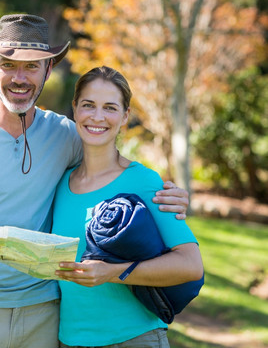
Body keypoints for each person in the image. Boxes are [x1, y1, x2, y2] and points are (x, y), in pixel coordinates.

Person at [0, 14, 189, 348]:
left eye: (32, 66)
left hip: (44, 312)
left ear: (48, 70)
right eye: (8, 64)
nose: (20, 77)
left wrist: (168, 193)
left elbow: (111, 159)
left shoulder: (66, 135)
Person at [53, 66, 204, 348]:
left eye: (110, 108)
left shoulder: (143, 181)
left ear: (125, 117)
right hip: (68, 340)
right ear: (75, 109)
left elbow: (190, 265)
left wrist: (112, 272)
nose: (97, 117)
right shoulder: (60, 183)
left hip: (133, 339)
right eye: (88, 105)